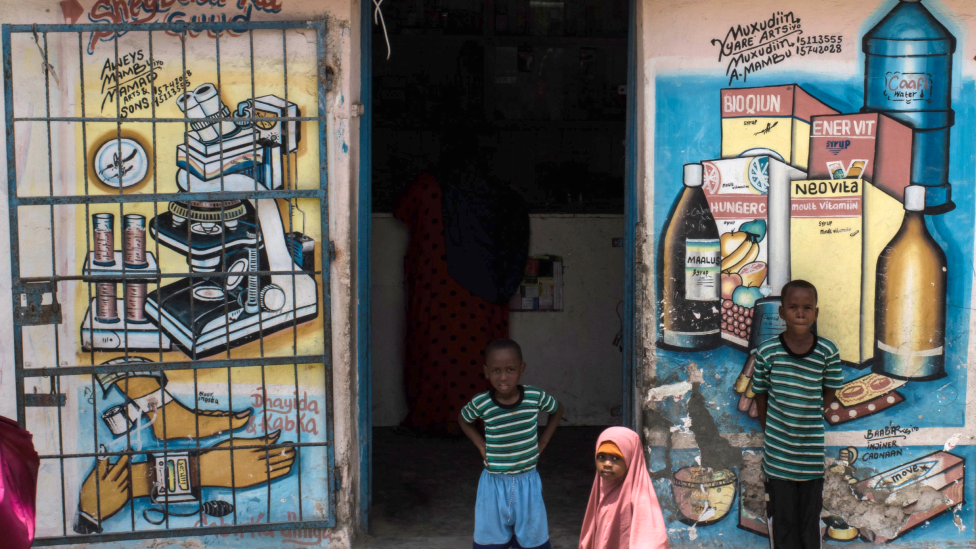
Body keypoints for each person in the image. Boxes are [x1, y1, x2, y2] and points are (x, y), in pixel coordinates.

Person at [752, 279, 844, 549]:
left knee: (809, 522)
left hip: (811, 457)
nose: (800, 313)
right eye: (793, 307)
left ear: (816, 312)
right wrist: (771, 429)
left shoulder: (827, 351)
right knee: (783, 523)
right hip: (778, 457)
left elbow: (831, 390)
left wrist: (811, 414)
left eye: (807, 307)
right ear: (781, 312)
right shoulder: (768, 352)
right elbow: (760, 393)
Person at [459, 338, 564, 549]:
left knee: (532, 537)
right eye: (496, 371)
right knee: (490, 539)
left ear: (522, 369)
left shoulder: (534, 396)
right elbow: (463, 418)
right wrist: (480, 445)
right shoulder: (482, 402)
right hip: (493, 485)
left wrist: (543, 440)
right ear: (486, 372)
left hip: (528, 482)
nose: (503, 377)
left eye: (510, 369)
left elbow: (557, 409)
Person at [579, 427, 669, 549]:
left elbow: (652, 540)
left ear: (631, 458)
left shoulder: (639, 497)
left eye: (615, 458)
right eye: (601, 457)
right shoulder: (600, 491)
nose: (607, 464)